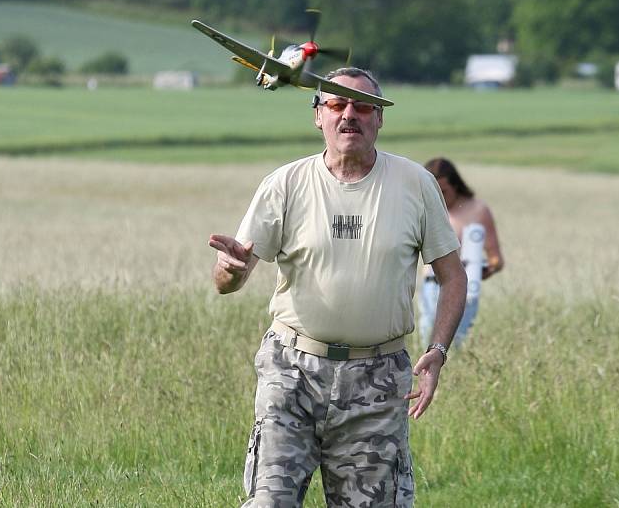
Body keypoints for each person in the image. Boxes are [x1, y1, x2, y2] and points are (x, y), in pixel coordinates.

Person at [208, 68, 467, 508]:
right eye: (336, 104)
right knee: (269, 502)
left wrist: (438, 351)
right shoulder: (285, 184)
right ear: (318, 116)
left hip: (379, 380)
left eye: (362, 105)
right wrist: (229, 269)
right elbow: (229, 281)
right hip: (292, 374)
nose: (350, 115)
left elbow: (452, 276)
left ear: (380, 118)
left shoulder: (415, 184)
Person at [418, 158, 504, 348]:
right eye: (434, 192)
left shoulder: (478, 210)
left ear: (456, 186)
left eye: (444, 192)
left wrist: (488, 268)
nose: (439, 197)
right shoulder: (422, 209)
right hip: (430, 286)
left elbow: (495, 257)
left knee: (455, 343)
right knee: (426, 343)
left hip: (464, 287)